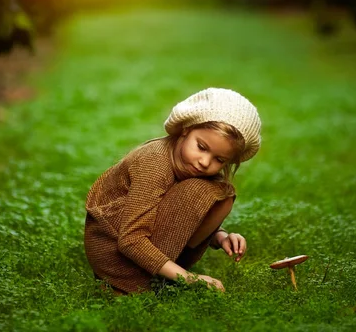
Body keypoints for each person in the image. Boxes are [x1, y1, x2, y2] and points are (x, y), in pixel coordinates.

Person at [84, 87, 261, 294]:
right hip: (115, 256)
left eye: (219, 159)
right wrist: (190, 279)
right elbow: (131, 240)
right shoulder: (154, 164)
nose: (205, 162)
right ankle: (137, 283)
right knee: (201, 191)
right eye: (201, 147)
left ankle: (167, 270)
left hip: (137, 244)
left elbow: (176, 214)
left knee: (220, 191)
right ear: (186, 129)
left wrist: (220, 236)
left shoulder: (189, 165)